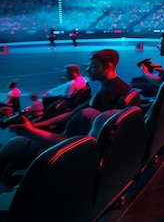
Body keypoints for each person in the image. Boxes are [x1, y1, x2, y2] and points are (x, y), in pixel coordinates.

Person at [0, 48, 131, 178]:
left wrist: (30, 131)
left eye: (93, 66)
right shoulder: (116, 88)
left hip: (67, 147)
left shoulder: (105, 96)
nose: (88, 69)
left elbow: (69, 140)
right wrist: (37, 124)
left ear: (107, 66)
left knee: (11, 146)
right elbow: (74, 113)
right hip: (70, 139)